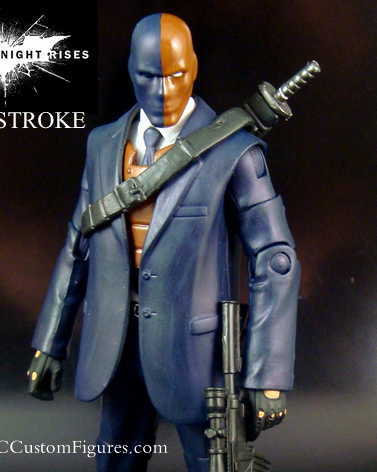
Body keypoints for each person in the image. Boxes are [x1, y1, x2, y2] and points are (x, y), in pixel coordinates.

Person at [27, 13, 300, 472]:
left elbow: (275, 260)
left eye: (175, 75)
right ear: (131, 72)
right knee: (115, 458)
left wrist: (267, 372)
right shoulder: (103, 146)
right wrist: (50, 343)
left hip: (198, 356)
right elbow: (79, 244)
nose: (163, 91)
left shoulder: (233, 150)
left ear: (193, 68)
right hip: (115, 346)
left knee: (211, 462)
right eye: (148, 76)